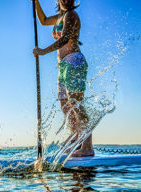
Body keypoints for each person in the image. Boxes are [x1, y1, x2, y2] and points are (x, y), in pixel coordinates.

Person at [32, 0, 94, 157]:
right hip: (63, 66)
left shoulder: (71, 15)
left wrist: (44, 51)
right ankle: (76, 137)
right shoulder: (59, 17)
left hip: (74, 61)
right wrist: (36, 2)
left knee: (76, 103)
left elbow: (65, 38)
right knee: (66, 106)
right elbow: (44, 20)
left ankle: (87, 146)